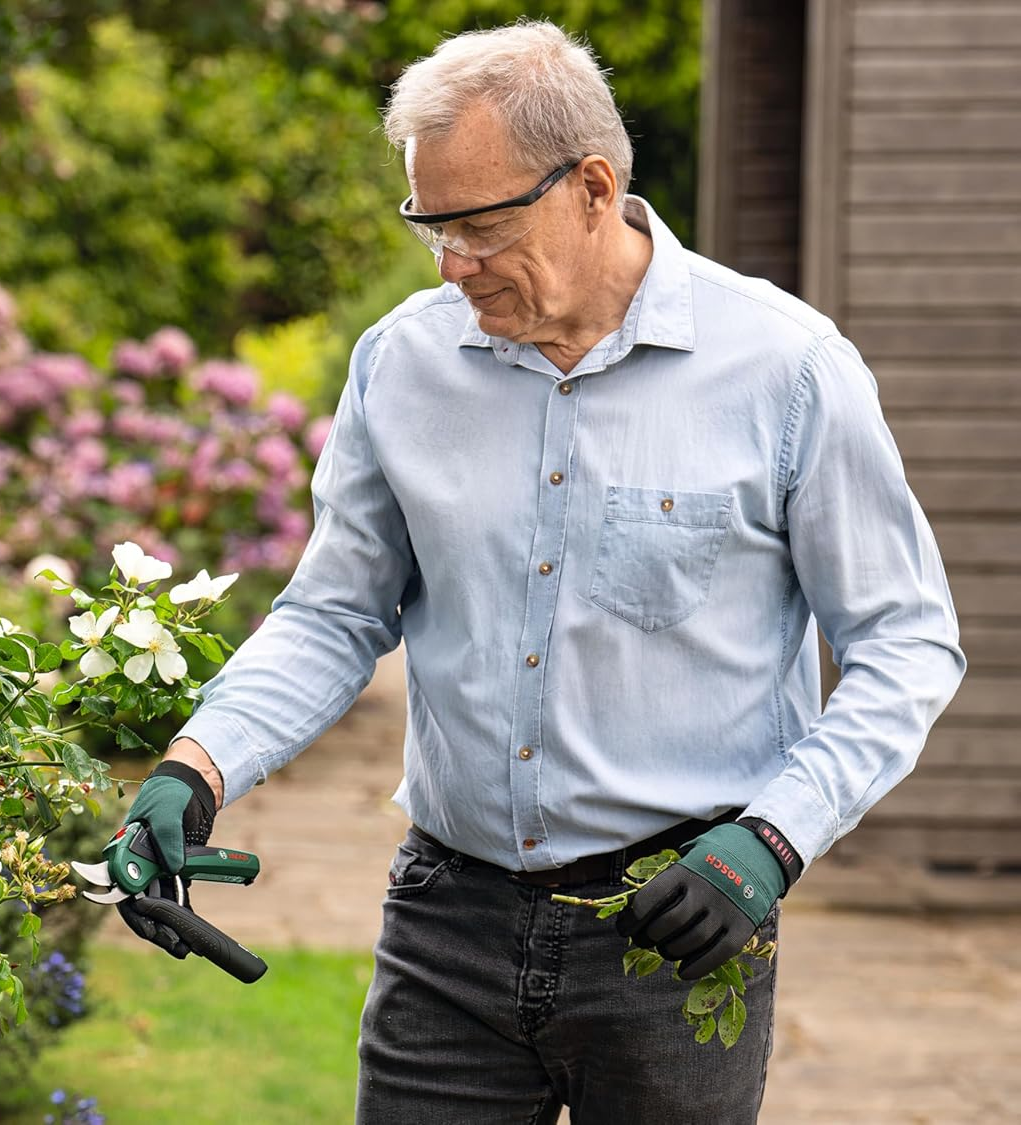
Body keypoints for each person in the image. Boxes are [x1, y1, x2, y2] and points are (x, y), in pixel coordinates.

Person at [110, 18, 965, 1124]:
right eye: (430, 227)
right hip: (445, 922)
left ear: (594, 187)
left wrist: (772, 841)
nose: (453, 262)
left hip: (679, 924)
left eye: (480, 225)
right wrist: (196, 768)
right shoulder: (403, 365)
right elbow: (334, 612)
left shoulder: (788, 370)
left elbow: (908, 641)